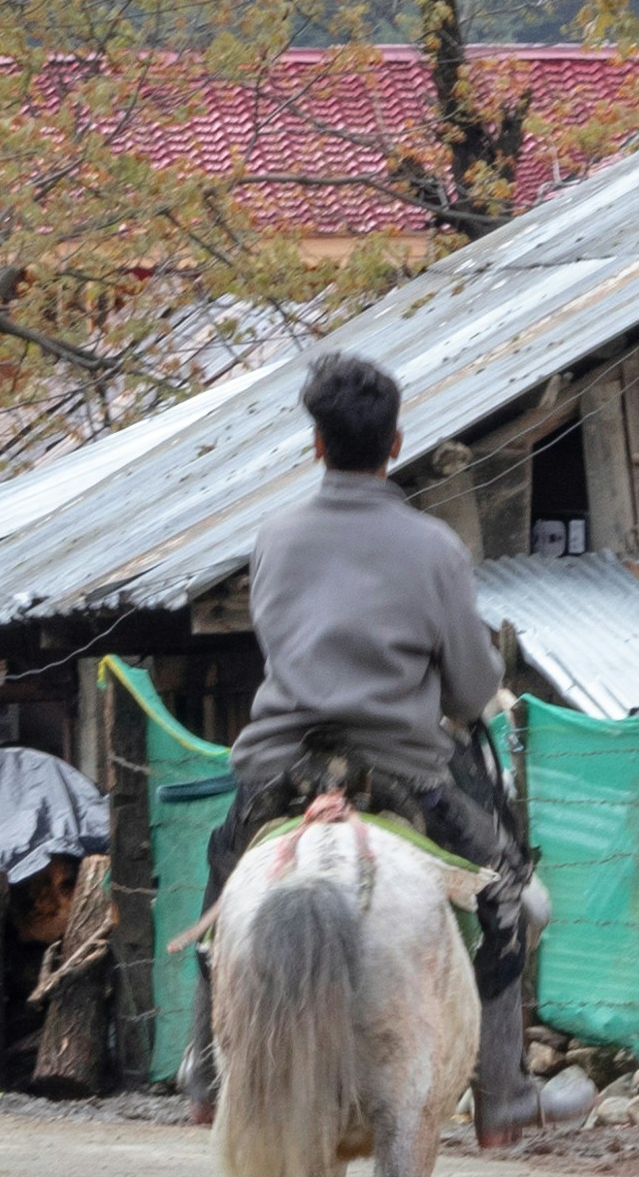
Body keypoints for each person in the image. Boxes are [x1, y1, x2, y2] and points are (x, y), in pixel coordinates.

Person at [184, 347, 523, 1107]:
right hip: (403, 767)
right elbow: (471, 690)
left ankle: (203, 1071)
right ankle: (503, 1090)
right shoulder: (435, 546)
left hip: (280, 769)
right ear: (396, 443)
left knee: (219, 888)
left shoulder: (272, 537)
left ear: (317, 445)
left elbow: (280, 643)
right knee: (508, 895)